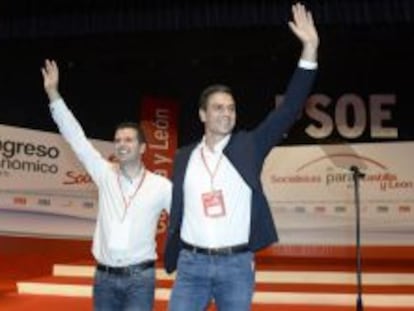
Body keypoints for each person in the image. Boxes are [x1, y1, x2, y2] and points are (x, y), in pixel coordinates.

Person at [164, 2, 319, 310]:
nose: (227, 113)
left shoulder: (249, 146)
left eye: (231, 108)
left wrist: (310, 49)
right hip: (191, 265)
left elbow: (288, 110)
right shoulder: (183, 157)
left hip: (236, 267)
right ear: (202, 115)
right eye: (219, 108)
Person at [41, 59, 172, 311]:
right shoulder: (104, 173)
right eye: (118, 139)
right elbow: (76, 138)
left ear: (143, 148)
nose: (121, 144)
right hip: (104, 279)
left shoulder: (162, 186)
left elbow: (187, 222)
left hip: (140, 280)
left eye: (128, 140)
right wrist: (53, 93)